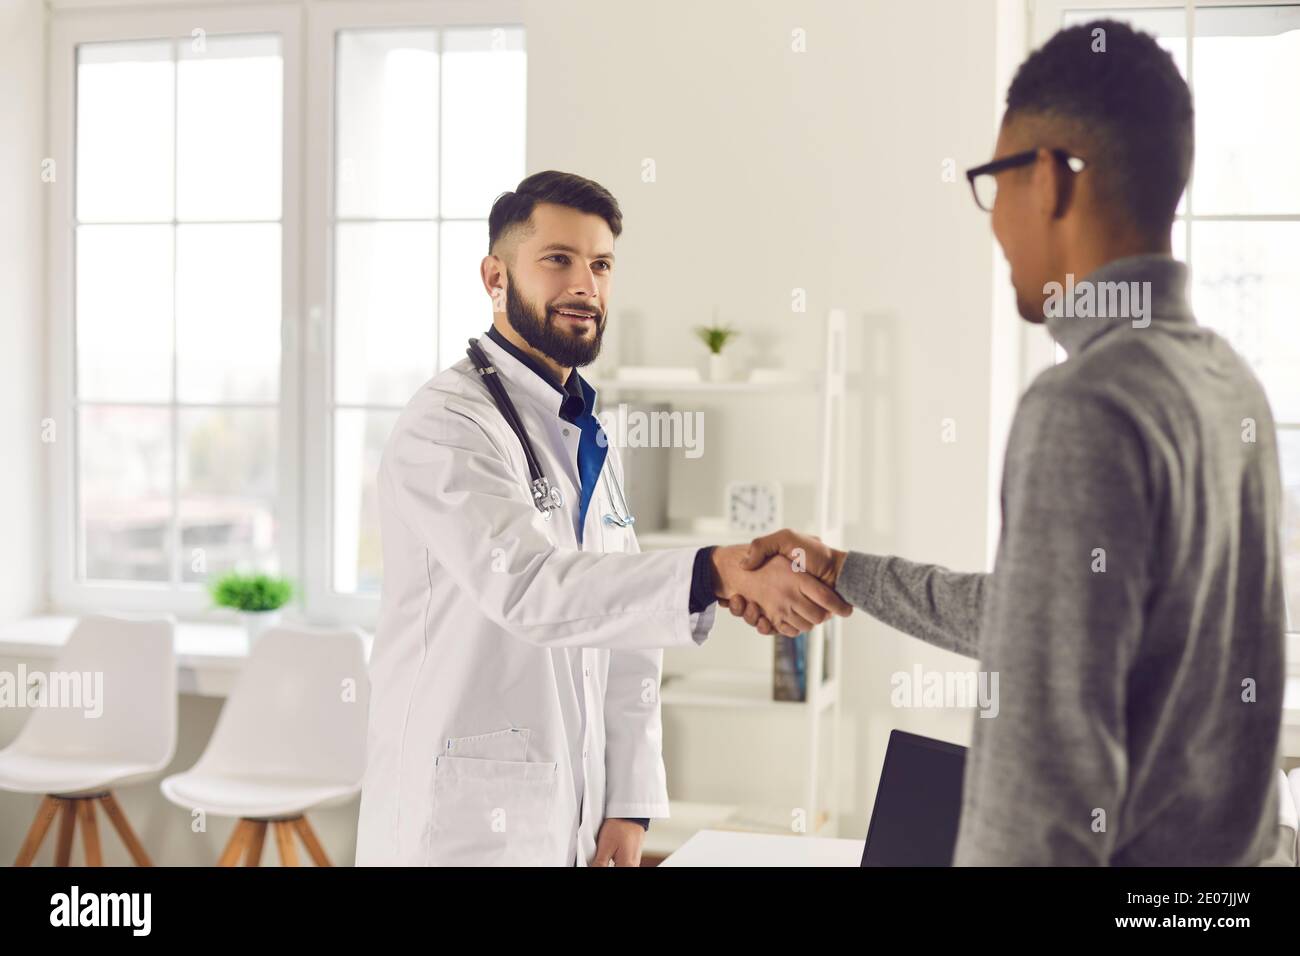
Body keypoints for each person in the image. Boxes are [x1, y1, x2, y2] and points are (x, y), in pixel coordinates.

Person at [730, 21, 1285, 866]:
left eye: (994, 183)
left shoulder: (1085, 406)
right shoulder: (1229, 384)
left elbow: (1044, 789)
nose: (994, 229)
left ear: (1050, 180)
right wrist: (843, 569)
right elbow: (1041, 618)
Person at [355, 170, 850, 867]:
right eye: (558, 260)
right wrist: (710, 572)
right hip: (459, 825)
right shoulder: (447, 425)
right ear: (495, 277)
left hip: (571, 813)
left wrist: (629, 801)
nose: (585, 284)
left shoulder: (585, 430)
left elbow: (626, 632)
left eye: (601, 264)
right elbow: (530, 588)